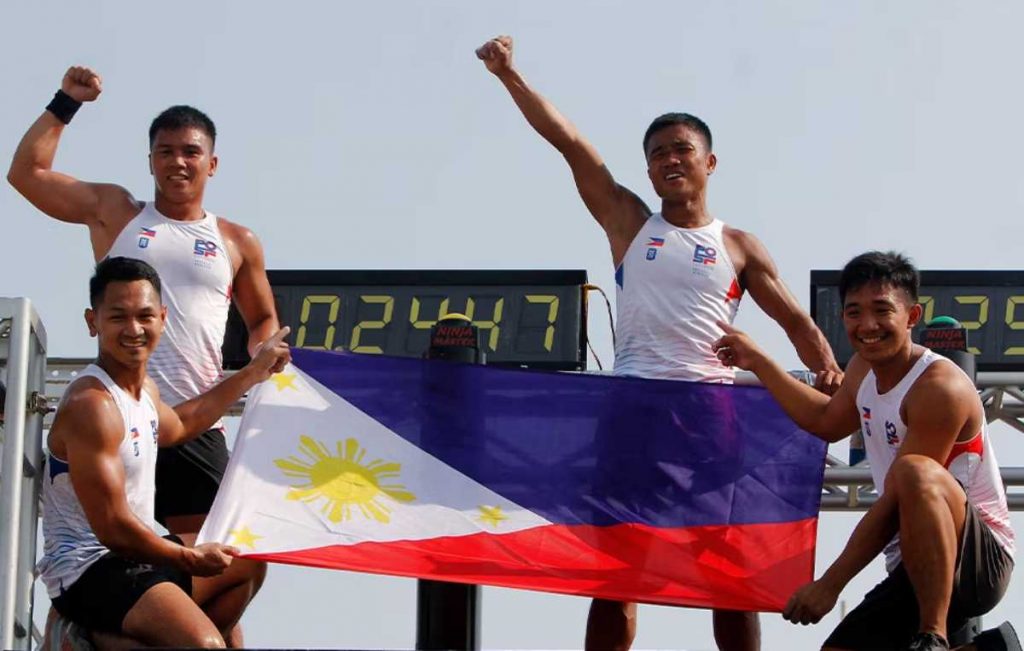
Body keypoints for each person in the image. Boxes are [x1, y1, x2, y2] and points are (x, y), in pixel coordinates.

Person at [476, 34, 843, 651]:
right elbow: (571, 146)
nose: (670, 161)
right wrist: (510, 76)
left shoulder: (739, 245)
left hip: (711, 414)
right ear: (648, 170)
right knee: (617, 567)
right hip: (633, 411)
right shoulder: (629, 222)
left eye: (682, 150)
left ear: (709, 162)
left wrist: (829, 371)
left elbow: (799, 326)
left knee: (724, 568)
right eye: (657, 155)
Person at [7, 67, 283, 585]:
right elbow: (26, 175)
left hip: (195, 422)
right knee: (112, 558)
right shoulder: (115, 212)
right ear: (151, 161)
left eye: (190, 151)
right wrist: (67, 101)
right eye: (165, 151)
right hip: (122, 417)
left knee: (225, 567)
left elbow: (262, 315)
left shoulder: (236, 240)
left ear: (212, 163)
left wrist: (263, 346)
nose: (178, 162)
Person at [713, 251, 1015, 650]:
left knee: (914, 473)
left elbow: (895, 500)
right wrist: (760, 363)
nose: (867, 325)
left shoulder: (939, 388)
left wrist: (830, 584)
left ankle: (934, 637)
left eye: (881, 311)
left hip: (977, 564)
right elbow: (826, 422)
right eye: (854, 312)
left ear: (912, 317)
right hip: (912, 565)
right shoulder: (861, 369)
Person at [37, 256, 289, 648]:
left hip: (140, 556)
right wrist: (189, 559)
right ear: (93, 322)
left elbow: (185, 423)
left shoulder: (145, 392)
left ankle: (110, 640)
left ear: (163, 318)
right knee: (204, 646)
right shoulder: (93, 405)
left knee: (249, 558)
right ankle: (78, 630)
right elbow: (114, 529)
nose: (134, 329)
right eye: (118, 317)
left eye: (145, 316)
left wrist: (254, 372)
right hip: (90, 569)